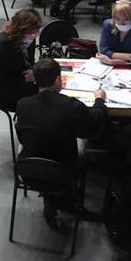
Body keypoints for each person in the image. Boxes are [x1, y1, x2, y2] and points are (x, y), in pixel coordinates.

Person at [16, 58, 107, 228]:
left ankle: (51, 199)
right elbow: (94, 124)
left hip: (29, 172)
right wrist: (99, 100)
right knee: (83, 145)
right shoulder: (71, 106)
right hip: (64, 174)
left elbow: (22, 137)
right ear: (58, 79)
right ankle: (67, 200)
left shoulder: (22, 105)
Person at [0, 7, 42, 110]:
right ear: (19, 30)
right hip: (0, 88)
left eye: (36, 32)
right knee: (43, 95)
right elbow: (2, 79)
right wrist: (25, 78)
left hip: (17, 78)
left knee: (46, 85)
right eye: (31, 33)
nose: (34, 36)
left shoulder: (28, 39)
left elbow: (29, 63)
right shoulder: (3, 46)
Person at [98, 0, 131, 68]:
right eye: (117, 19)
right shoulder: (108, 24)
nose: (121, 23)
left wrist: (111, 61)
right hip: (110, 66)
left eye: (126, 20)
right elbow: (104, 50)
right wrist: (130, 56)